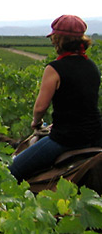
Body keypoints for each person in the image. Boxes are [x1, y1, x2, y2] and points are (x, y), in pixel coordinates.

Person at [9, 15, 102, 181]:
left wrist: (36, 122)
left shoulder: (54, 68)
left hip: (67, 138)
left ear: (58, 39)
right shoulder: (91, 66)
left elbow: (40, 108)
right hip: (96, 136)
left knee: (11, 171)